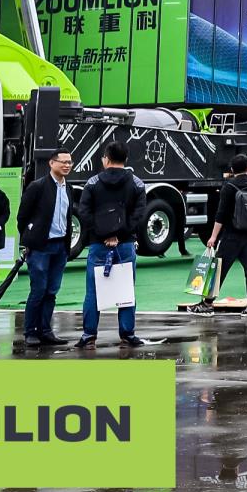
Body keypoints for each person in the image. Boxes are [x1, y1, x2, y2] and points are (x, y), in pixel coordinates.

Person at [76, 141, 147, 348]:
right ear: (126, 159)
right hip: (125, 244)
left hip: (99, 245)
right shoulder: (136, 183)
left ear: (106, 159)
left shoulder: (92, 183)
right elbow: (139, 214)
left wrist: (103, 233)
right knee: (126, 290)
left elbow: (84, 212)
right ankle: (127, 334)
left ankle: (89, 335)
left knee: (93, 291)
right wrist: (119, 234)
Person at [195, 152, 247, 317]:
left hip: (232, 235)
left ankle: (207, 304)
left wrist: (213, 237)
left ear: (232, 170)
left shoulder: (229, 187)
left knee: (219, 269)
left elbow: (221, 214)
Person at [18, 149, 75, 346]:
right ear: (51, 163)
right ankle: (30, 331)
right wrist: (30, 239)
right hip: (41, 247)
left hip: (60, 247)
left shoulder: (68, 188)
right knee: (38, 290)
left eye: (69, 162)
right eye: (63, 162)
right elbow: (22, 216)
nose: (67, 165)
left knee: (52, 291)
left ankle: (46, 330)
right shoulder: (38, 186)